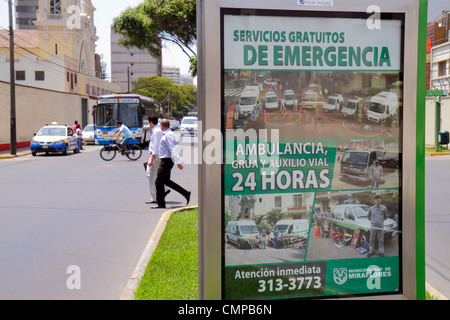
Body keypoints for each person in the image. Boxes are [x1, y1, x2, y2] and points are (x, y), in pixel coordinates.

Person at [152, 119, 191, 209]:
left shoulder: (168, 135)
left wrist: (178, 162)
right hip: (166, 160)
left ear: (162, 126)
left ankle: (161, 203)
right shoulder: (167, 134)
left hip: (166, 161)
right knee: (166, 181)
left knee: (158, 182)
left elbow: (172, 149)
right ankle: (185, 193)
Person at [145, 116, 170, 204]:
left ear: (151, 122)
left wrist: (152, 159)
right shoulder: (157, 131)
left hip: (155, 156)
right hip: (155, 155)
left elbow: (156, 147)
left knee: (152, 176)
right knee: (150, 174)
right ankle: (160, 192)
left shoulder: (156, 132)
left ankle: (156, 196)